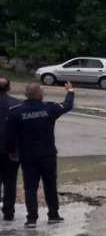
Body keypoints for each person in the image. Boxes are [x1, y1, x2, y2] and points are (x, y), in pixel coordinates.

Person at [5, 82, 74, 227]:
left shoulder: (16, 112)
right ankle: (53, 215)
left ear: (26, 95)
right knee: (50, 185)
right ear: (40, 95)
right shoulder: (49, 108)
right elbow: (67, 106)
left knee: (30, 187)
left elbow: (9, 135)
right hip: (47, 154)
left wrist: (11, 152)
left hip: (27, 156)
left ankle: (31, 219)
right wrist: (70, 91)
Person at [0, 78, 21, 222]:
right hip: (10, 149)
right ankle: (8, 212)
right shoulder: (16, 104)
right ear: (8, 88)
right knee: (10, 181)